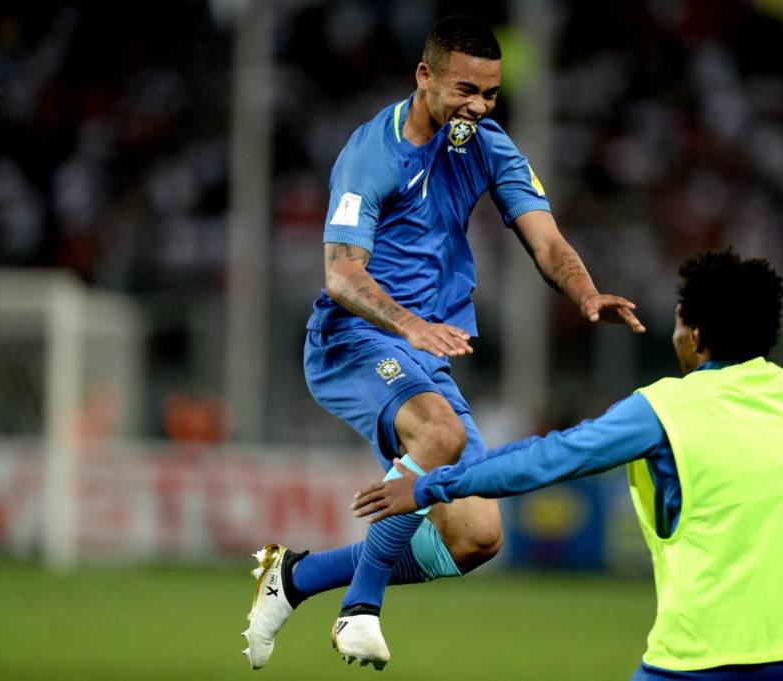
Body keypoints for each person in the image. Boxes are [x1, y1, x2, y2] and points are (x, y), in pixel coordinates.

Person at [242, 15, 645, 672]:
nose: (479, 107)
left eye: (491, 94)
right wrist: (410, 325)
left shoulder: (487, 145)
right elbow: (341, 274)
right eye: (466, 91)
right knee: (439, 432)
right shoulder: (372, 153)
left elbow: (546, 240)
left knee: (477, 537)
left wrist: (586, 292)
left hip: (423, 353)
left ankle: (295, 577)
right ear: (424, 76)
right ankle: (359, 609)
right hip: (354, 339)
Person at [352, 250, 783, 681]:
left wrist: (430, 485)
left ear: (697, 335)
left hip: (697, 658)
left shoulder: (666, 408)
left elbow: (550, 458)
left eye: (679, 325)